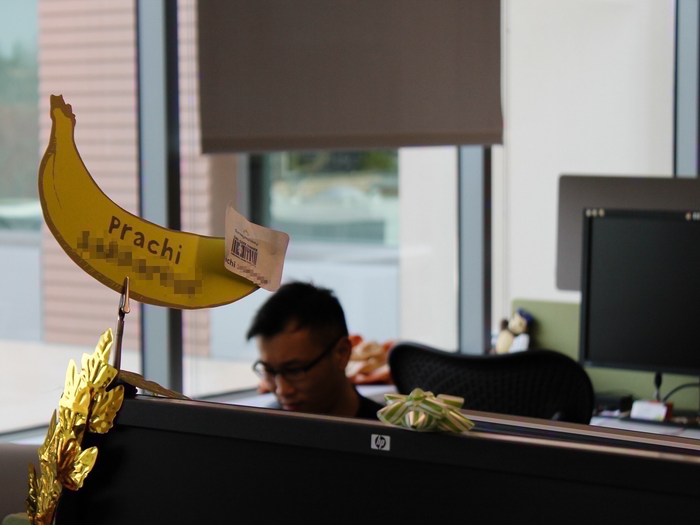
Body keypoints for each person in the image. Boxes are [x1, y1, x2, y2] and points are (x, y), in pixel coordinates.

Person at [247, 281, 384, 419]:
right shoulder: (264, 428)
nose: (282, 390)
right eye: (269, 371)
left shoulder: (390, 433)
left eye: (294, 370)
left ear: (342, 353)